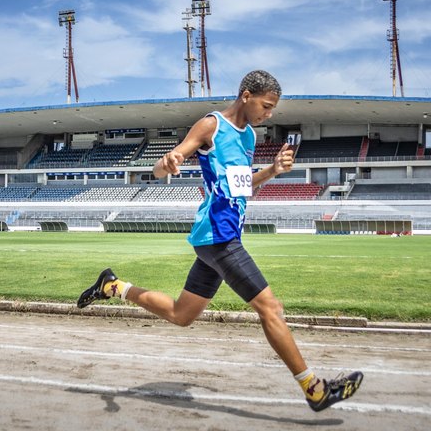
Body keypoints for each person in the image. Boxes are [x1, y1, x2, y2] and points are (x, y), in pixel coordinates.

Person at [77, 70, 363, 411]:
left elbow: (243, 188)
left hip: (221, 235)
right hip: (219, 237)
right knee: (271, 308)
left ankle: (113, 286)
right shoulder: (211, 125)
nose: (268, 114)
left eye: (272, 109)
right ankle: (315, 390)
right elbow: (162, 166)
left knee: (182, 314)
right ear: (246, 95)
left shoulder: (249, 138)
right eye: (266, 106)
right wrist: (169, 162)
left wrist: (272, 170)